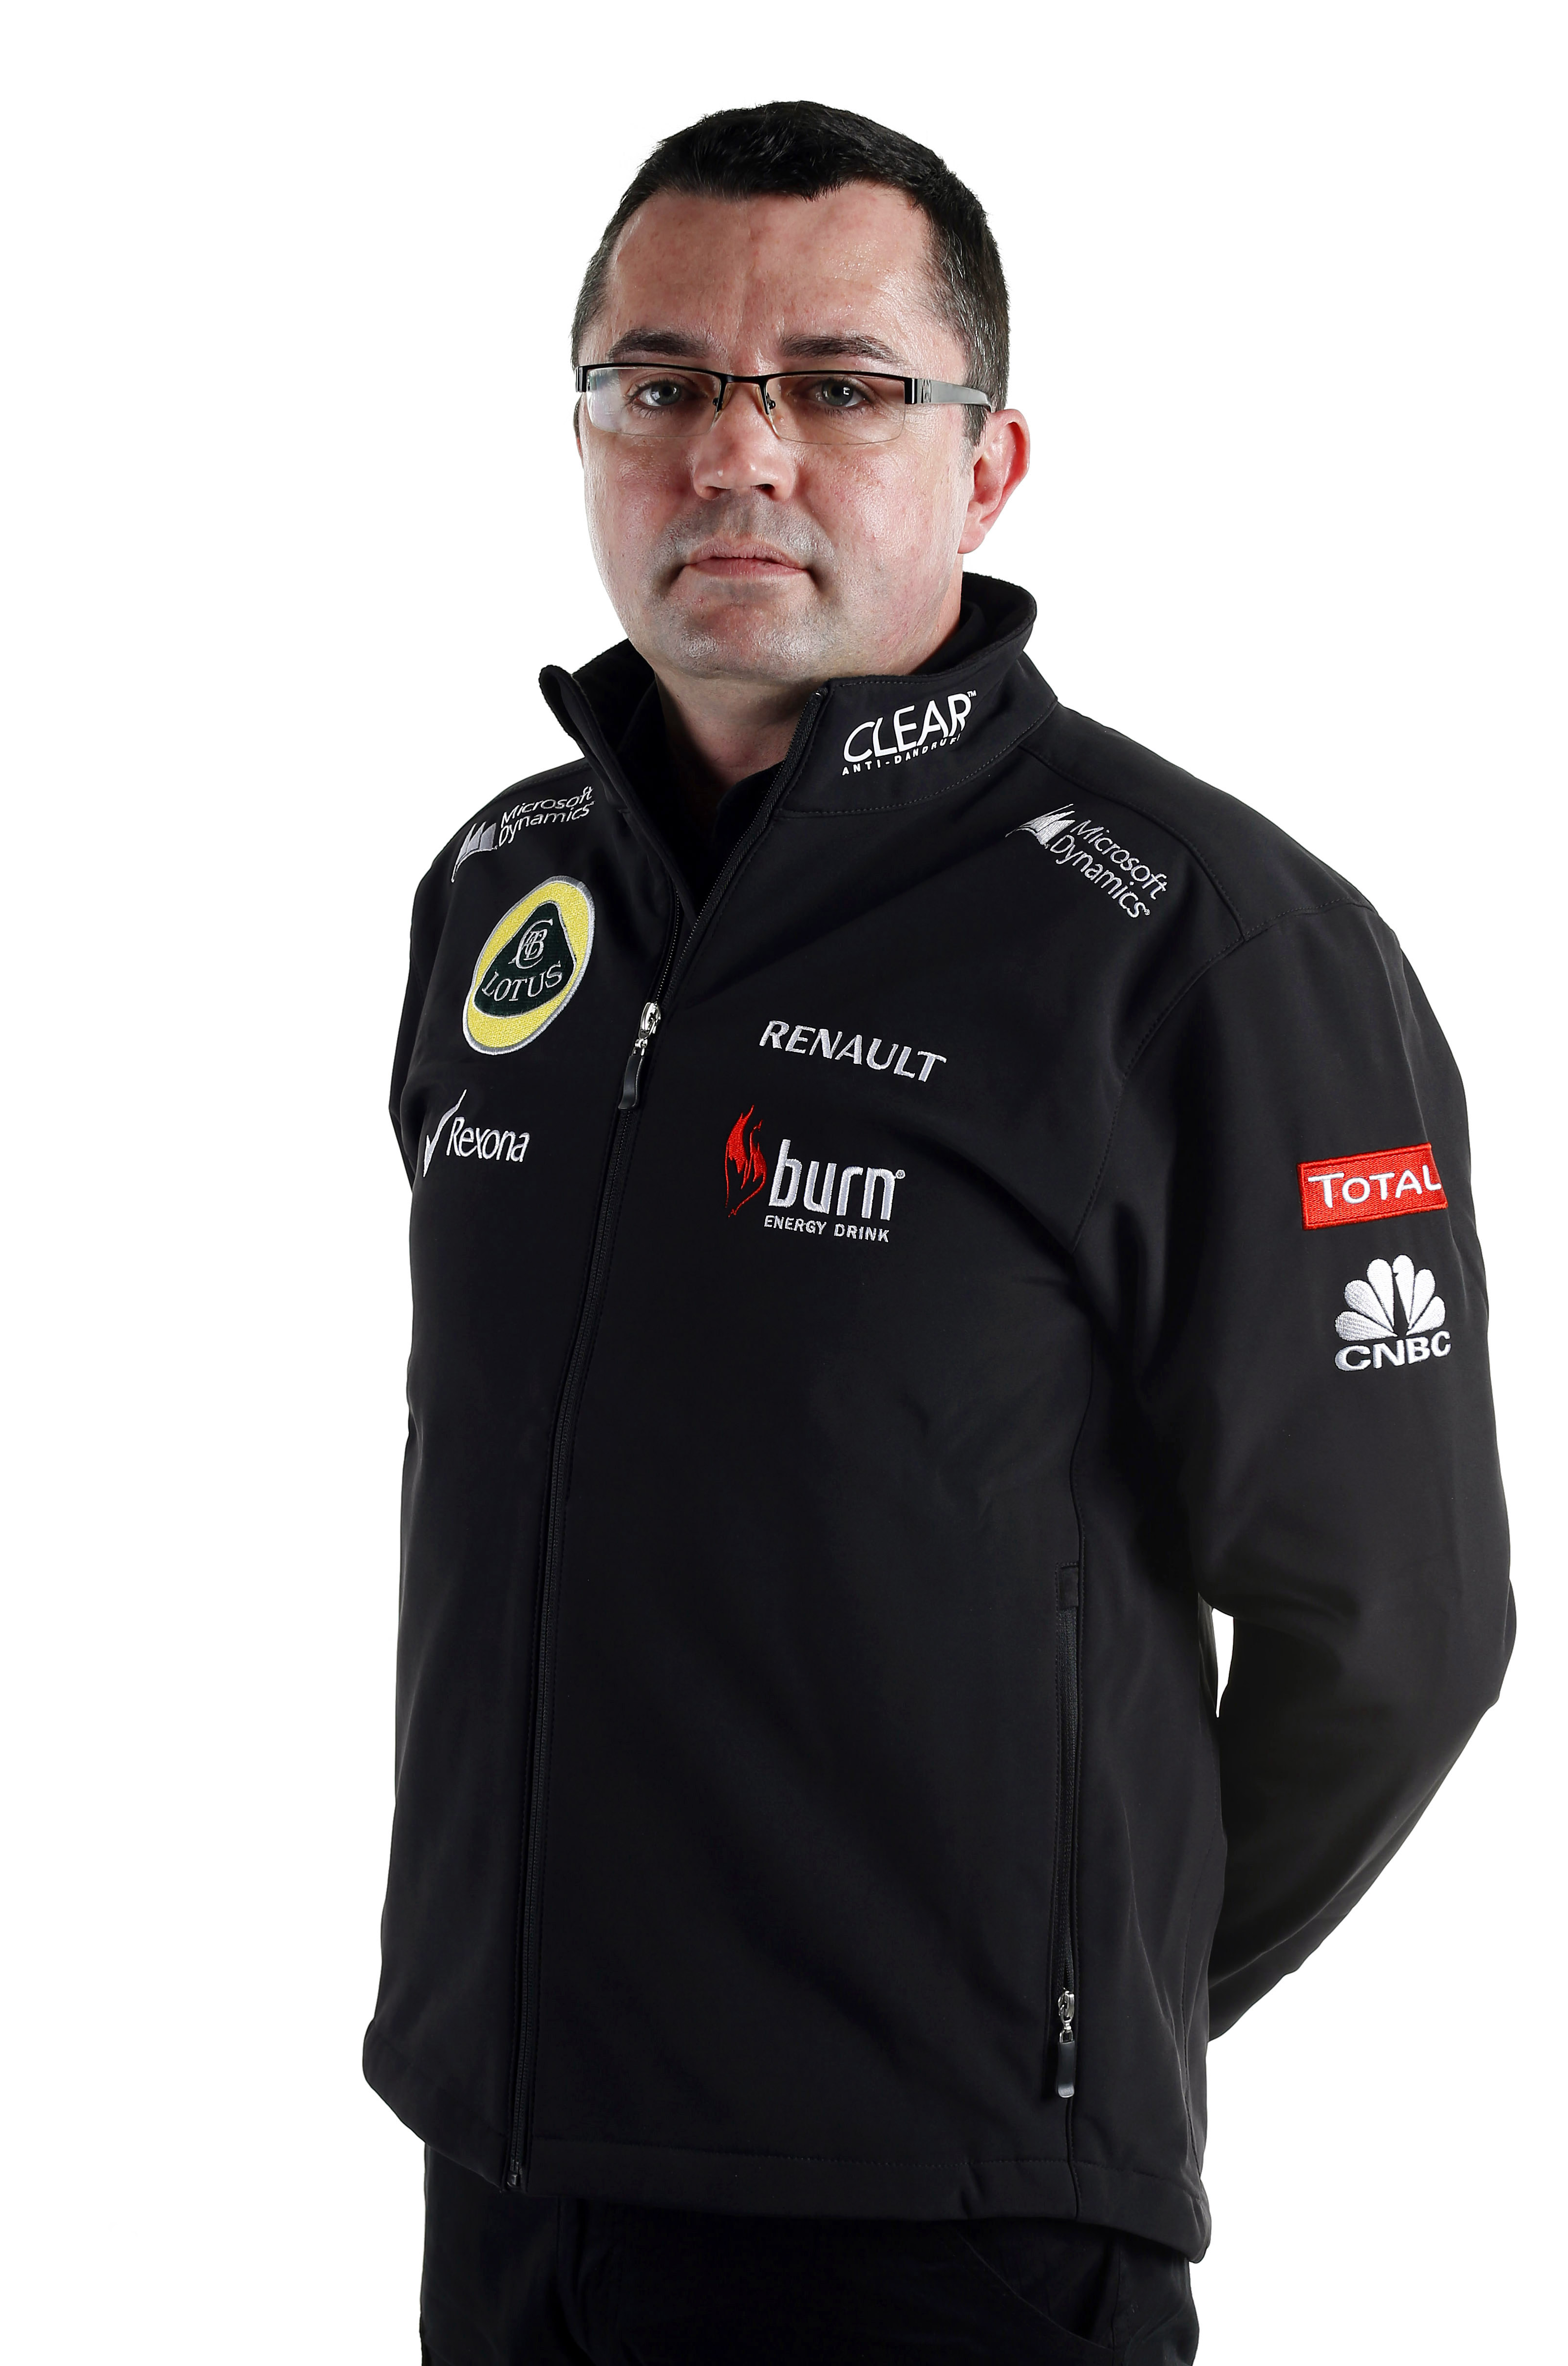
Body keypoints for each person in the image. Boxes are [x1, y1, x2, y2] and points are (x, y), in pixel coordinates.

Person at [366, 100, 1514, 2365]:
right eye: (661, 384)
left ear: (988, 465)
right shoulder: (506, 888)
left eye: (841, 386)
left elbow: (1399, 1630)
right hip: (503, 2182)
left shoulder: (1199, 944)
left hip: (943, 2228)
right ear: (588, 431)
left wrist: (1067, 2005)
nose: (738, 453)